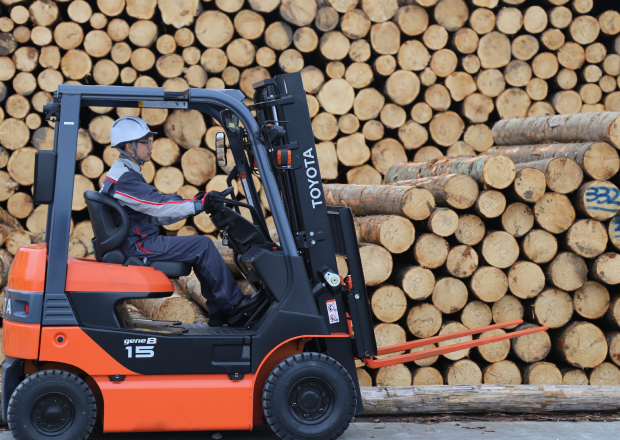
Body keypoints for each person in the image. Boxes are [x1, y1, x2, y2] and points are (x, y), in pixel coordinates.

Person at [99, 116, 264, 326]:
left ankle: (220, 313)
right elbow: (158, 207)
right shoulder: (125, 178)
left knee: (199, 246)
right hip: (138, 246)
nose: (151, 146)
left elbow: (155, 205)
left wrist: (193, 202)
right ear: (129, 146)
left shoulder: (126, 172)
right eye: (145, 142)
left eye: (150, 141)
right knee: (202, 246)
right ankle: (233, 306)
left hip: (135, 241)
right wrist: (197, 205)